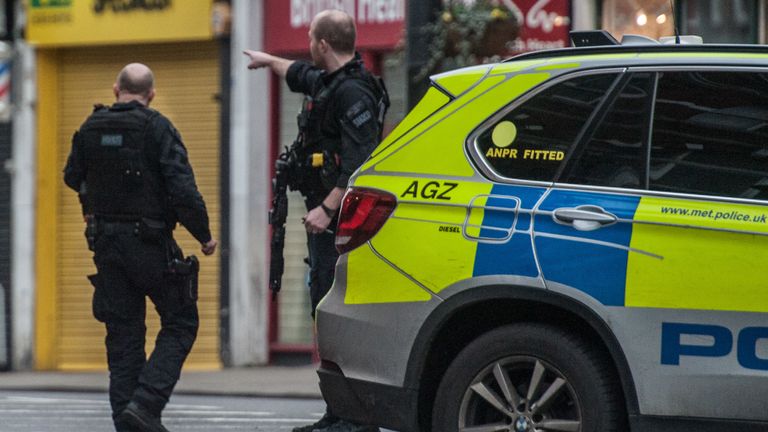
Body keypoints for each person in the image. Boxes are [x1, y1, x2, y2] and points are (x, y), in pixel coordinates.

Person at [244, 9, 388, 432]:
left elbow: (360, 162)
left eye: (310, 38)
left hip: (342, 224)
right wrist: (271, 61)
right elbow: (302, 74)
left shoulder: (353, 94)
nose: (307, 45)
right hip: (325, 223)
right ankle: (338, 412)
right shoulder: (332, 84)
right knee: (324, 315)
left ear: (323, 43)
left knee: (340, 320)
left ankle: (357, 419)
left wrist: (326, 208)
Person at [63, 63, 217, 432]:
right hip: (150, 245)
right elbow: (183, 189)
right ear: (151, 94)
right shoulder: (157, 127)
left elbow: (72, 176)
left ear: (116, 89)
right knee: (181, 322)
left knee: (123, 335)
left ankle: (127, 418)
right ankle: (146, 404)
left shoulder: (89, 128)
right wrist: (204, 235)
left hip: (106, 247)